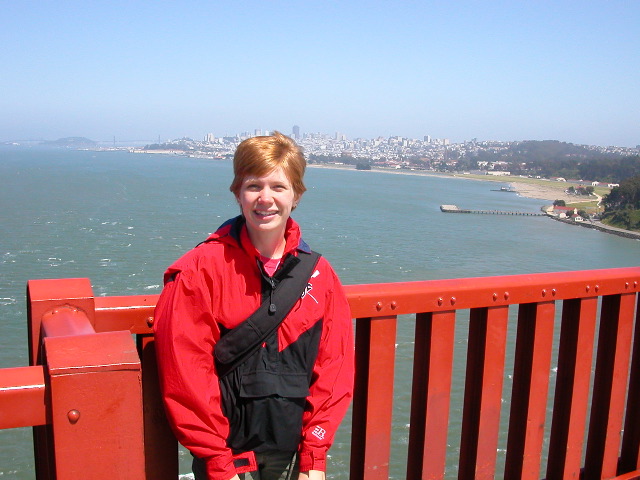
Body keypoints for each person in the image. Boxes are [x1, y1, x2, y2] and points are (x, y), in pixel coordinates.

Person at [153, 131, 355, 480]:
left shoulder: (320, 275)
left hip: (293, 457)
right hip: (227, 457)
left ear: (296, 196)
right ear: (237, 193)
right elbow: (185, 372)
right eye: (253, 186)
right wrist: (217, 461)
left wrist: (314, 457)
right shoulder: (200, 269)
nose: (266, 198)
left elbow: (334, 368)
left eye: (278, 187)